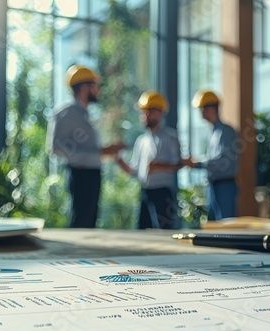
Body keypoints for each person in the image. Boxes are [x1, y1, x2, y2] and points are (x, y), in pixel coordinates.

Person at [47, 65, 124, 228]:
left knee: (89, 221)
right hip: (81, 174)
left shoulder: (85, 114)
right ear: (84, 88)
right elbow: (56, 147)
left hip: (92, 174)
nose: (98, 90)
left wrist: (103, 151)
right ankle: (73, 253)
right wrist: (97, 153)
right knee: (81, 220)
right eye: (95, 86)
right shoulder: (67, 113)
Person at [116, 90, 182, 229]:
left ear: (160, 112)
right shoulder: (141, 141)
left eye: (150, 111)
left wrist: (157, 166)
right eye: (143, 112)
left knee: (164, 232)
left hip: (163, 193)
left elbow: (178, 164)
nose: (145, 115)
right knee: (142, 230)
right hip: (145, 192)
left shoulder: (170, 137)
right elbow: (135, 170)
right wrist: (120, 162)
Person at [182, 90, 238, 220]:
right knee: (215, 225)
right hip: (214, 185)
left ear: (212, 108)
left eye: (203, 108)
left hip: (225, 185)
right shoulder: (213, 132)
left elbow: (224, 161)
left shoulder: (226, 131)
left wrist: (198, 163)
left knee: (226, 225)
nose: (201, 112)